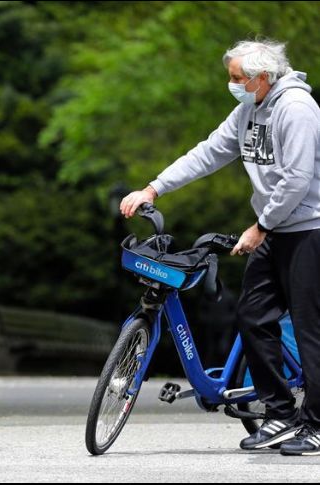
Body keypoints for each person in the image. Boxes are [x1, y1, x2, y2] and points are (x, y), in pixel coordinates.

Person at [120, 39, 320, 456]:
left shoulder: (296, 108)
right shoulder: (251, 108)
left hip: (308, 230)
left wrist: (261, 226)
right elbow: (210, 151)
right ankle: (280, 415)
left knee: (308, 327)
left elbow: (298, 177)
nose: (231, 84)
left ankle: (316, 424)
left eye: (236, 78)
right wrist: (154, 187)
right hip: (276, 230)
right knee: (252, 317)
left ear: (262, 77)